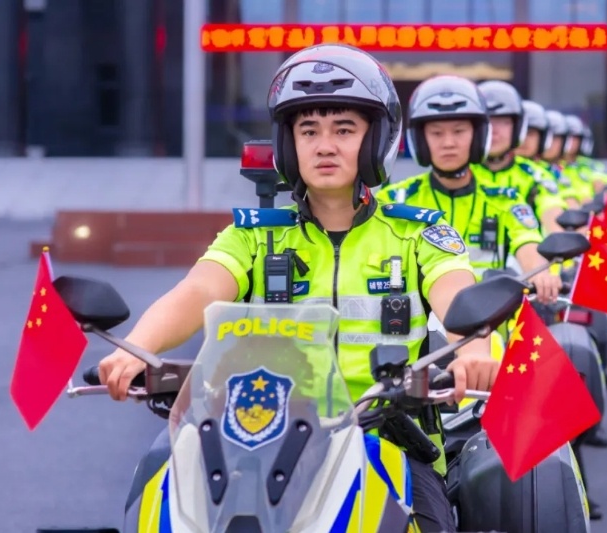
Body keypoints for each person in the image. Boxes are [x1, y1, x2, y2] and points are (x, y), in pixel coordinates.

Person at [98, 43, 497, 533]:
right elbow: (197, 292)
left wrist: (474, 348)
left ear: (377, 139)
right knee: (160, 503)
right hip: (260, 440)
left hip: (385, 438)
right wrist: (136, 347)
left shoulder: (417, 232)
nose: (324, 145)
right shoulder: (253, 235)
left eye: (344, 130)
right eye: (308, 131)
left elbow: (457, 294)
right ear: (289, 145)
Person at [376, 75, 561, 303]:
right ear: (420, 140)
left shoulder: (504, 200)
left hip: (491, 316)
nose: (448, 143)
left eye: (459, 131)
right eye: (436, 133)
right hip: (419, 320)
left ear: (478, 136)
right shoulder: (396, 200)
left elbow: (527, 241)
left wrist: (540, 272)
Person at [471, 80, 568, 235]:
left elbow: (551, 209)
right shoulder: (459, 176)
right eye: (487, 121)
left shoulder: (536, 176)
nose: (494, 131)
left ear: (518, 128)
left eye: (503, 122)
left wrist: (560, 235)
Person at [515, 100, 582, 210]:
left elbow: (569, 205)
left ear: (543, 139)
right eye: (521, 132)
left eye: (531, 134)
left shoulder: (548, 174)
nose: (524, 139)